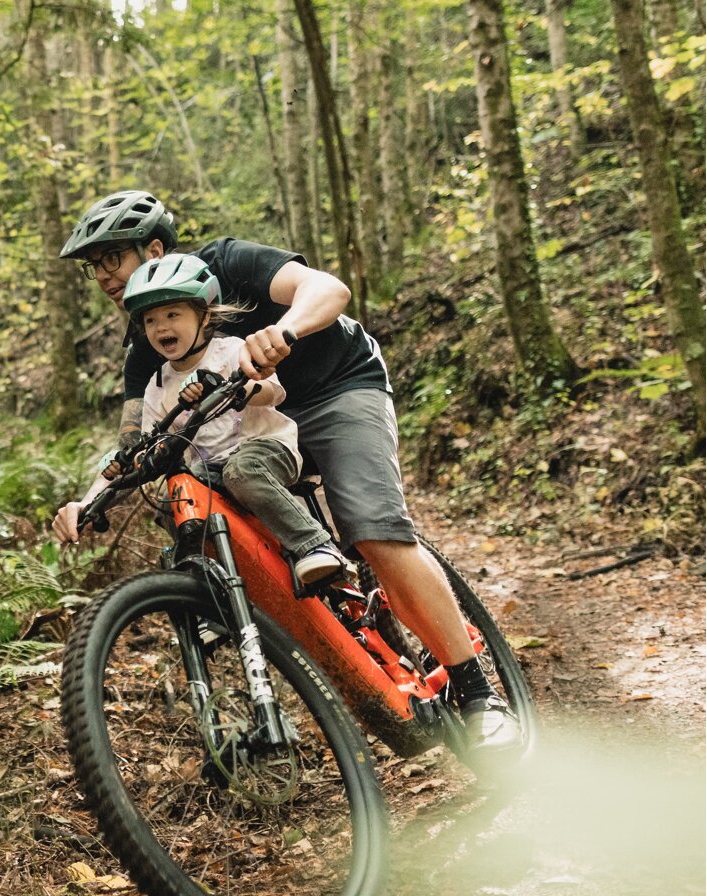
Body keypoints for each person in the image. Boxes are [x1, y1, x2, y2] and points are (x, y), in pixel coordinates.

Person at [48, 189, 522, 753]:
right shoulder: (147, 348)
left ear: (152, 249)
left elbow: (329, 290)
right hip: (245, 433)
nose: (102, 274)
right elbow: (135, 444)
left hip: (335, 388)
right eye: (93, 266)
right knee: (196, 502)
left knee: (372, 529)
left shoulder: (226, 263)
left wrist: (285, 330)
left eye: (112, 257)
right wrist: (88, 499)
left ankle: (478, 693)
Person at [56, 253, 352, 585]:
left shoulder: (231, 351)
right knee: (173, 498)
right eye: (150, 320)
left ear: (205, 315)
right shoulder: (158, 385)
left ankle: (316, 545)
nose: (161, 327)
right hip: (210, 470)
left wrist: (234, 387)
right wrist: (111, 478)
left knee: (242, 471)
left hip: (265, 449)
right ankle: (208, 582)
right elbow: (147, 442)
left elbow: (271, 391)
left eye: (172, 314)